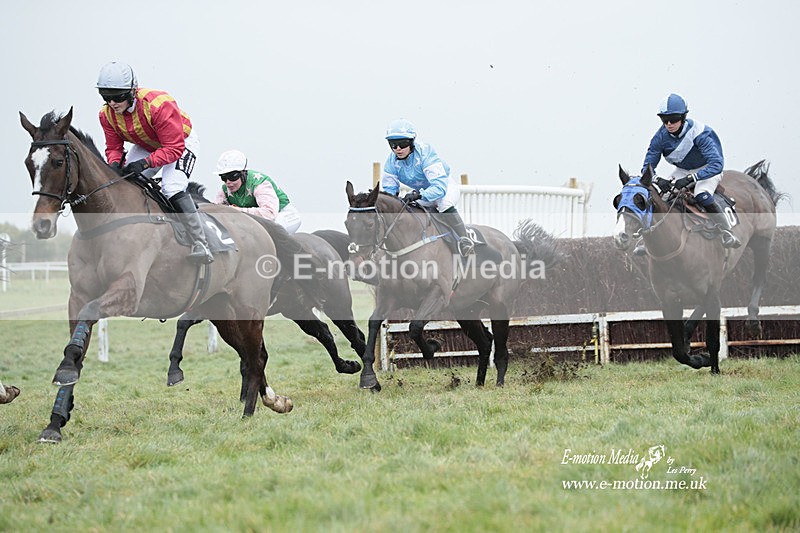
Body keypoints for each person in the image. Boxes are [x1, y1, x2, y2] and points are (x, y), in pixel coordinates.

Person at [96, 61, 213, 264]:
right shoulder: (106, 115)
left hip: (180, 141)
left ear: (132, 91)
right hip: (148, 143)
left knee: (171, 187)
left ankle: (201, 242)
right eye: (106, 97)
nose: (113, 103)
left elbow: (174, 148)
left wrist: (145, 163)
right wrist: (114, 164)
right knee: (124, 183)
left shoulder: (158, 105)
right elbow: (114, 148)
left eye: (118, 97)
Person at [641, 93, 741, 249]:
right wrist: (657, 180)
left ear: (683, 117)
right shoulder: (659, 138)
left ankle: (726, 232)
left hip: (708, 169)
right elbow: (647, 168)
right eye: (664, 120)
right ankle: (646, 239)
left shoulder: (699, 133)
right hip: (682, 170)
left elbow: (716, 164)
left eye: (673, 119)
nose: (669, 124)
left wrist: (691, 179)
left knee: (701, 194)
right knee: (659, 196)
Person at [380, 118, 474, 256]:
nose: (398, 148)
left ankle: (464, 240)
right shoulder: (391, 162)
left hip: (444, 187)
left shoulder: (425, 153)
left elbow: (439, 188)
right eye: (393, 144)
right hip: (422, 192)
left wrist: (419, 195)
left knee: (444, 205)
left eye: (402, 143)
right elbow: (389, 190)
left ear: (411, 142)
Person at [213, 149, 302, 233]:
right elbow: (214, 210)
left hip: (284, 215)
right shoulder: (225, 189)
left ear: (243, 173)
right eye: (223, 177)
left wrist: (237, 211)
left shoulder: (259, 184)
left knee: (269, 227)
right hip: (258, 220)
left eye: (232, 176)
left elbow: (269, 214)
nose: (228, 182)